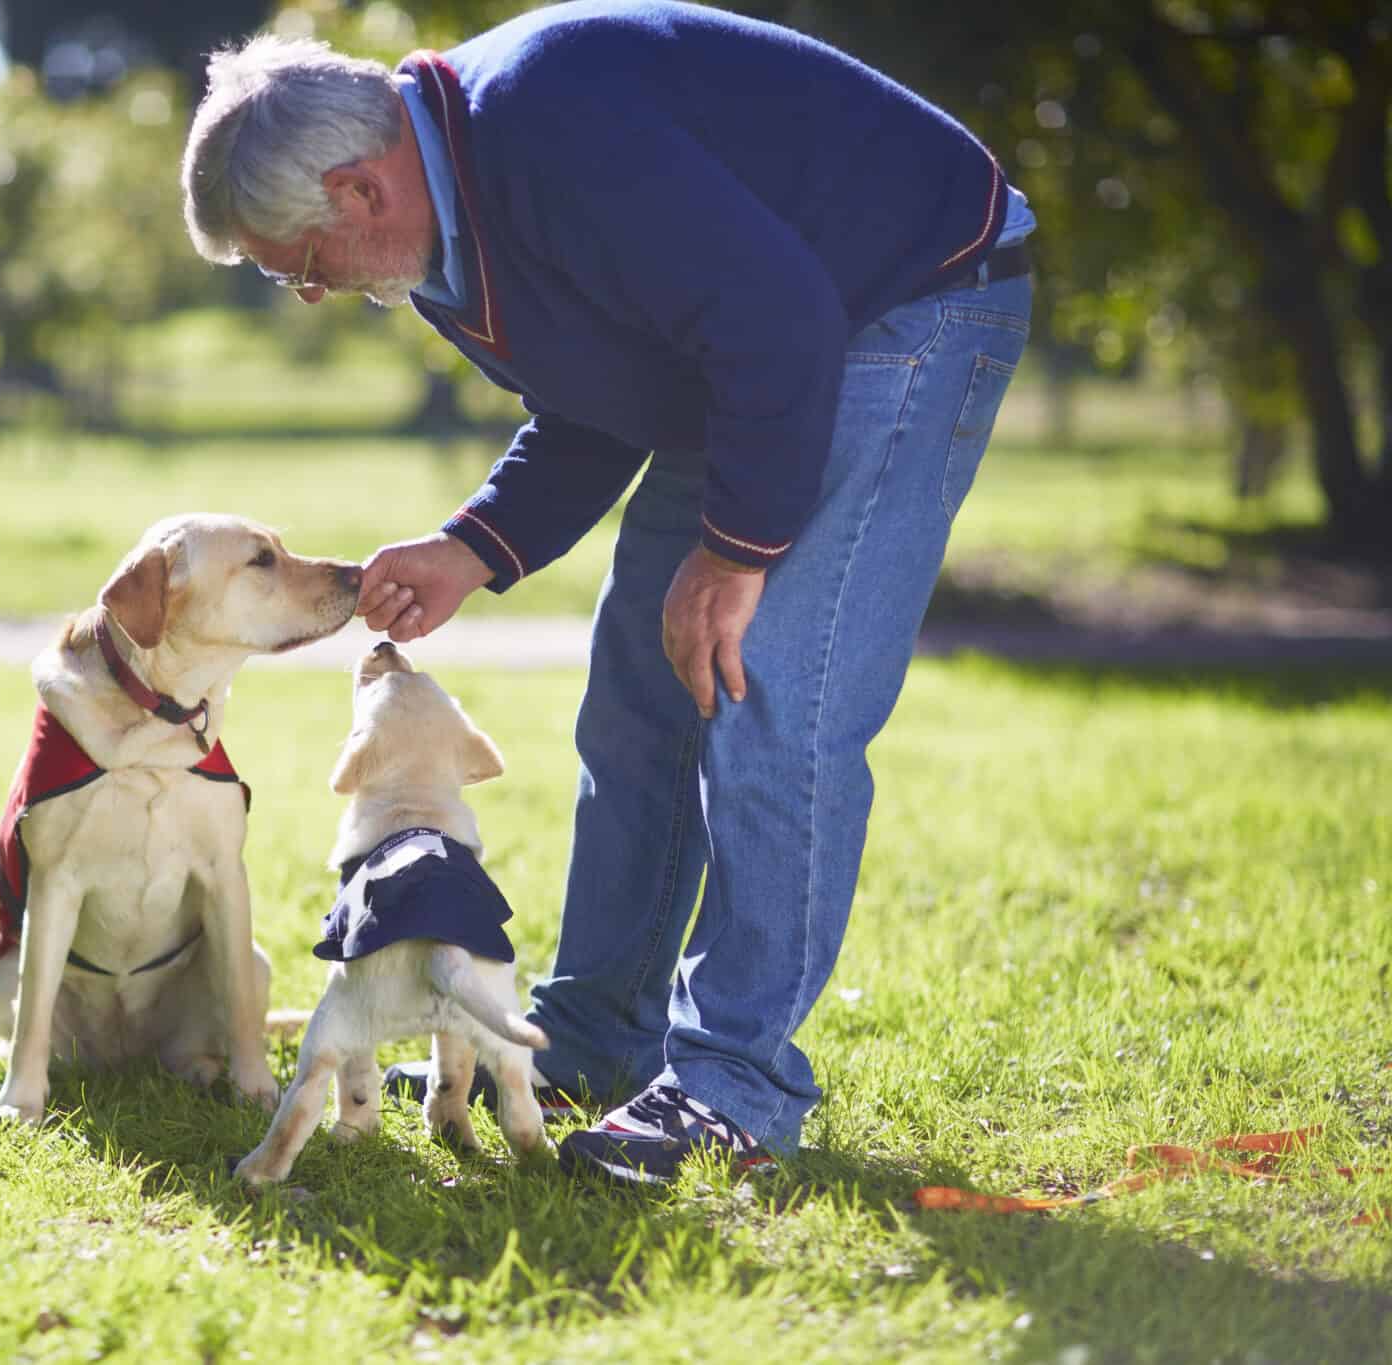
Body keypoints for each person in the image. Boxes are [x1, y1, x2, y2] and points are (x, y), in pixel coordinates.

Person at [180, 0, 1034, 1186]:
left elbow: (775, 318)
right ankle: (591, 1035)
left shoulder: (548, 123)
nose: (312, 292)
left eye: (303, 264)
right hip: (749, 354)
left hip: (901, 295)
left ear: (360, 188)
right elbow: (604, 402)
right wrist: (469, 547)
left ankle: (731, 1088)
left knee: (769, 693)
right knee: (638, 696)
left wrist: (735, 556)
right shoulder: (434, 245)